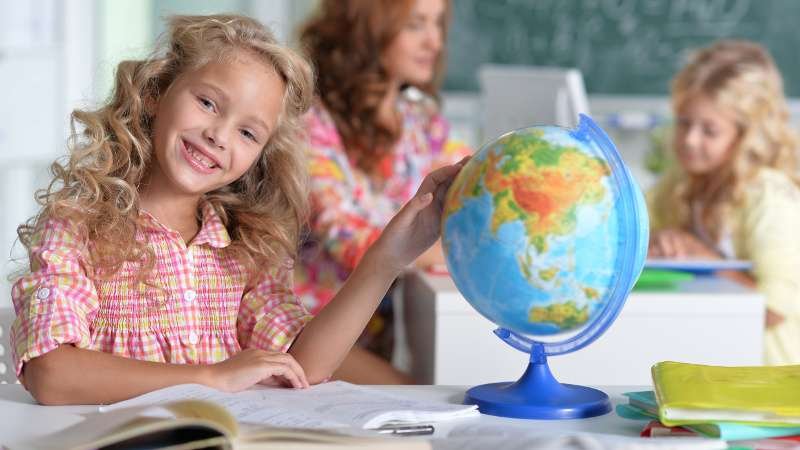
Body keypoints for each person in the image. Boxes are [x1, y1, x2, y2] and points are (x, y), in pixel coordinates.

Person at [9, 14, 466, 405]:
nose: (219, 135)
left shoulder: (243, 246)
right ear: (156, 94)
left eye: (248, 133)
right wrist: (210, 378)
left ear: (259, 156)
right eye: (207, 102)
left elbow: (304, 364)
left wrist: (387, 258)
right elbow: (50, 374)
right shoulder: (76, 225)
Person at [296, 0, 470, 384]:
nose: (435, 42)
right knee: (427, 401)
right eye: (416, 25)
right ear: (367, 31)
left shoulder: (420, 120)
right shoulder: (309, 120)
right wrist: (450, 250)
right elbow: (348, 238)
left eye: (438, 24)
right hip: (304, 333)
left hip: (372, 339)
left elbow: (474, 178)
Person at [647, 39, 800, 365]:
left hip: (766, 382)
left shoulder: (770, 196)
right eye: (684, 123)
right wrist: (654, 245)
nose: (690, 140)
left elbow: (773, 310)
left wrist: (700, 257)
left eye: (710, 130)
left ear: (745, 135)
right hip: (704, 365)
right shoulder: (678, 185)